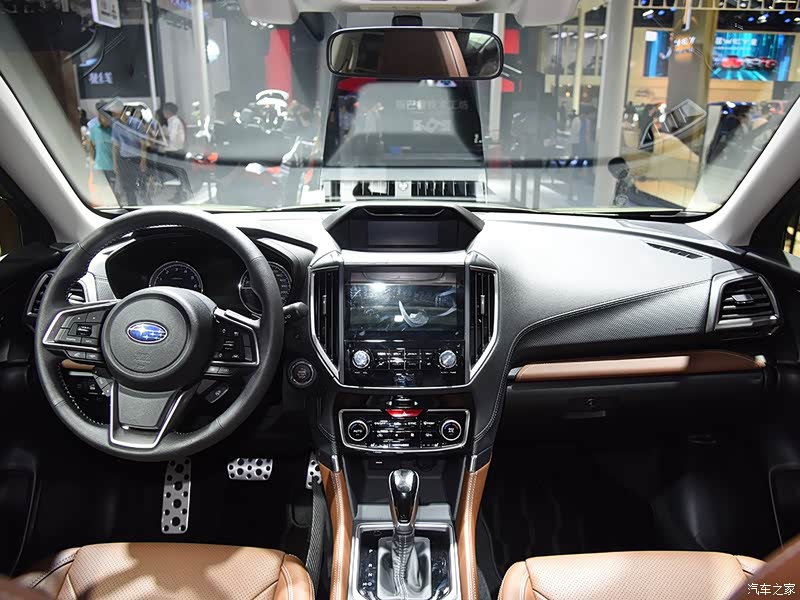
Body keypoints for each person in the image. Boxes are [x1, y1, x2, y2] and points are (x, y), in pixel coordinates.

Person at [112, 108, 147, 206]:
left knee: (141, 184)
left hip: (136, 158)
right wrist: (115, 163)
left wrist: (143, 160)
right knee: (128, 186)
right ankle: (132, 205)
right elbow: (115, 145)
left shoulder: (137, 123)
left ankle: (147, 203)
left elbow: (143, 143)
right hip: (124, 159)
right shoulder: (116, 126)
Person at [88, 109, 115, 188]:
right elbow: (91, 145)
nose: (101, 118)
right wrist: (92, 159)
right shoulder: (94, 129)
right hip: (99, 167)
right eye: (100, 116)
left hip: (112, 167)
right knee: (100, 189)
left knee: (113, 190)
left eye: (105, 117)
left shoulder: (114, 130)